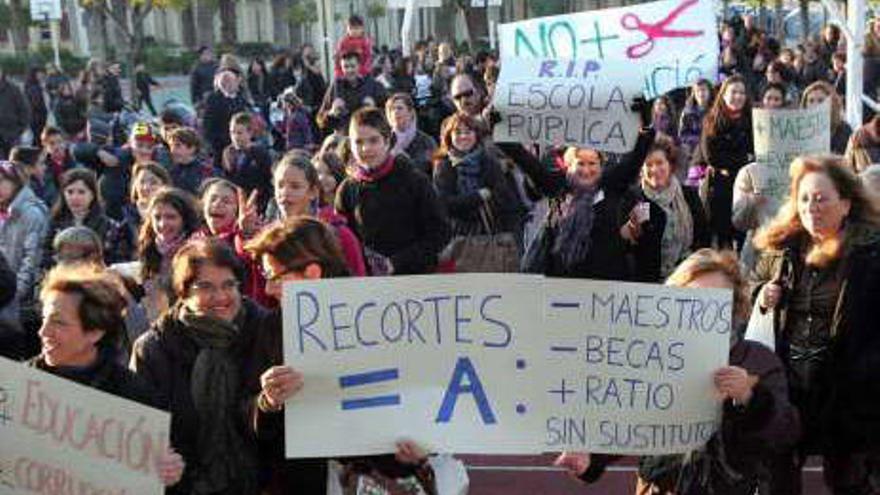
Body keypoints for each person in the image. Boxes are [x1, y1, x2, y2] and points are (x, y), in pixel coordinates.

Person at [556, 249, 799, 495]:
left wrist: (751, 397)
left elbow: (785, 433)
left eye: (716, 301)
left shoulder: (756, 359)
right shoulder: (652, 359)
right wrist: (590, 457)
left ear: (735, 306)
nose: (700, 310)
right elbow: (625, 420)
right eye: (690, 298)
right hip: (660, 488)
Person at [243, 218, 438, 495]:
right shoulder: (272, 327)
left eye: (274, 277)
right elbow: (252, 419)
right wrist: (268, 402)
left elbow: (396, 413)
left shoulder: (379, 324)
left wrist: (407, 458)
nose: (268, 289)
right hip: (299, 482)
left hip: (368, 482)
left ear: (311, 273)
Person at [752, 155, 880, 495]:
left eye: (822, 199)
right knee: (777, 476)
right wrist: (761, 295)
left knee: (848, 480)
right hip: (788, 386)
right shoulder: (780, 248)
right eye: (805, 198)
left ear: (846, 204)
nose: (812, 207)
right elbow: (749, 286)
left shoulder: (870, 256)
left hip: (845, 390)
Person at [31, 264, 185, 487]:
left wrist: (165, 470)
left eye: (58, 322)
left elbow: (148, 474)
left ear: (95, 332)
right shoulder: (16, 388)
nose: (42, 331)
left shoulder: (132, 396)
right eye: (44, 319)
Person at [131, 239, 263, 495]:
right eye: (205, 287)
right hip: (185, 485)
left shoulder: (265, 332)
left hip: (258, 483)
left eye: (229, 285)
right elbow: (140, 428)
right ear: (184, 292)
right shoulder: (154, 348)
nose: (221, 297)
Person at [336, 108, 449, 275]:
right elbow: (345, 239)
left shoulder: (414, 180)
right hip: (368, 284)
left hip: (415, 280)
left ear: (387, 141)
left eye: (374, 140)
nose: (366, 149)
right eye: (358, 142)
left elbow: (440, 234)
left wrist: (396, 262)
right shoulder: (347, 190)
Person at [621, 135, 710, 281]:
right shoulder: (633, 198)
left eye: (659, 163)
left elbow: (703, 238)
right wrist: (631, 229)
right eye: (648, 165)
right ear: (641, 170)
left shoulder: (689, 196)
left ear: (670, 165)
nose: (655, 169)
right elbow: (624, 248)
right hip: (647, 284)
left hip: (686, 279)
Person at [270, 150, 365, 276]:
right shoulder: (269, 237)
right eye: (280, 186)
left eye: (295, 186)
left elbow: (359, 283)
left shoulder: (339, 235)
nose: (285, 192)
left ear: (313, 192)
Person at [433, 112, 522, 247]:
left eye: (468, 132)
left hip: (491, 234)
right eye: (457, 132)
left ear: (476, 135)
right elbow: (444, 204)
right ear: (449, 137)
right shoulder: (443, 165)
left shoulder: (489, 161)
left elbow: (504, 198)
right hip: (457, 237)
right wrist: (478, 196)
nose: (463, 136)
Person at [700, 75, 754, 248]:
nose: (738, 96)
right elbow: (711, 156)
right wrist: (743, 159)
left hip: (746, 187)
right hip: (720, 187)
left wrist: (735, 161)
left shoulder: (752, 121)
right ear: (723, 95)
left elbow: (755, 152)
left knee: (744, 237)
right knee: (723, 239)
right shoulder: (711, 120)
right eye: (733, 92)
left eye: (742, 92)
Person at [0, 160, 48, 357]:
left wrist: (13, 295)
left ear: (15, 182)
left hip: (17, 303)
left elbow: (31, 259)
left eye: (3, 181)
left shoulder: (31, 213)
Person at [43, 168, 131, 269]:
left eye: (81, 192)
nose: (75, 198)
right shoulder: (54, 223)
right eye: (70, 192)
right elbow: (45, 257)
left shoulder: (108, 226)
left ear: (92, 195)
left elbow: (114, 261)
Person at [138, 187, 201, 322]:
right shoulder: (150, 248)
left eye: (171, 217)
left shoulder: (197, 251)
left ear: (185, 219)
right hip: (156, 324)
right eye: (157, 217)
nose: (163, 224)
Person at [317, 51, 387, 134]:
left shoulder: (373, 85)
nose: (349, 70)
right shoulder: (336, 87)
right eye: (346, 67)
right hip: (344, 136)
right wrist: (332, 112)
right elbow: (320, 119)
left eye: (352, 66)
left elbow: (389, 113)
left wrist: (373, 108)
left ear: (359, 66)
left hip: (367, 135)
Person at [221, 112, 273, 212]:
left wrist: (254, 200)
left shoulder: (260, 153)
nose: (235, 137)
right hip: (236, 201)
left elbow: (265, 180)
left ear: (250, 133)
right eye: (232, 132)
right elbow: (227, 177)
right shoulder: (228, 152)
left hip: (258, 201)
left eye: (239, 133)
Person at [203, 69, 250, 168]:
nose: (237, 84)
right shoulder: (213, 100)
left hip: (242, 145)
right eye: (234, 81)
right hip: (222, 146)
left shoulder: (240, 97)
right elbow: (207, 126)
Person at [386, 92, 437, 176]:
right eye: (392, 109)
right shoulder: (386, 142)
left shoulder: (427, 141)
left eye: (399, 108)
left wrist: (404, 159)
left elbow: (434, 170)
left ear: (411, 112)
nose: (395, 112)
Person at [801, 81, 852, 154]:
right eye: (811, 101)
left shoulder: (843, 129)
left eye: (821, 101)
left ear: (832, 104)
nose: (815, 105)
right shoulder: (798, 130)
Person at [678, 79, 713, 168]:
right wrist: (699, 141)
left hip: (712, 151)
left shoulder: (716, 111)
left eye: (704, 90)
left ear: (709, 92)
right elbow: (682, 135)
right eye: (698, 91)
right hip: (694, 152)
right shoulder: (687, 112)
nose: (701, 94)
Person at [168, 127, 213, 195]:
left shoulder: (206, 172)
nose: (173, 150)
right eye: (171, 146)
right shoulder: (171, 171)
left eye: (178, 145)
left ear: (192, 148)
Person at [0, 67, 32, 158]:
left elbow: (25, 110)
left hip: (12, 134)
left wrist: (20, 129)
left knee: (14, 163)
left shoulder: (13, 89)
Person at [277, 87, 316, 151]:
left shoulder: (298, 115)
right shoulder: (287, 115)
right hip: (292, 145)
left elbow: (306, 129)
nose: (283, 106)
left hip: (299, 146)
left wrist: (308, 142)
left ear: (289, 104)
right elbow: (284, 129)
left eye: (284, 103)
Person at [24, 67, 48, 147]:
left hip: (35, 118)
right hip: (37, 118)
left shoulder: (30, 86)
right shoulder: (34, 88)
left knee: (36, 140)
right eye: (39, 73)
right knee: (38, 141)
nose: (41, 75)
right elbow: (36, 104)